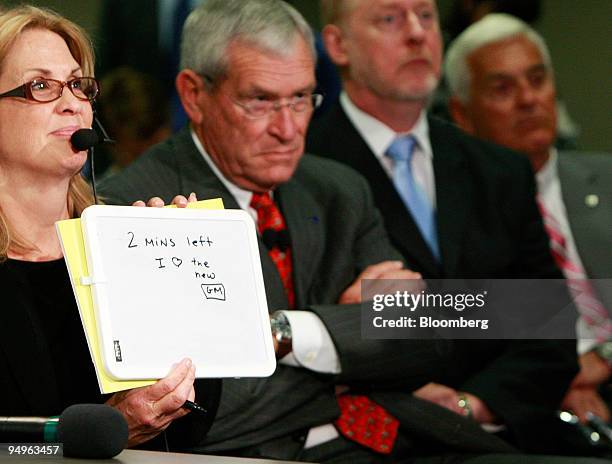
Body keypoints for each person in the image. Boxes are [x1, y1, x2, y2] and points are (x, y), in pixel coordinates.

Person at [101, 1, 607, 462]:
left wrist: (282, 336)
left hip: (400, 439)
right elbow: (203, 411)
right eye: (260, 101)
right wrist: (341, 341)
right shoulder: (137, 207)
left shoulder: (338, 187)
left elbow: (424, 343)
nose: (287, 128)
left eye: (301, 98)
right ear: (194, 95)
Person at [307, 0, 585, 456]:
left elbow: (550, 326)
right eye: (391, 19)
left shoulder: (500, 170)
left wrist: (470, 404)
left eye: (427, 16)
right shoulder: (301, 169)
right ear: (338, 45)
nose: (417, 33)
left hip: (502, 434)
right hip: (365, 443)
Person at [0, 5, 218, 449]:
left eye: (78, 85)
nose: (72, 103)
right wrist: (108, 430)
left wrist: (179, 288)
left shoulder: (119, 242)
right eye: (40, 86)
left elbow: (195, 424)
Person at [444, 13, 612, 428]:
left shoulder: (607, 179)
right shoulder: (452, 216)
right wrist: (562, 368)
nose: (528, 99)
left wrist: (603, 358)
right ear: (462, 113)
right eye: (503, 88)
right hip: (529, 404)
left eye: (538, 80)